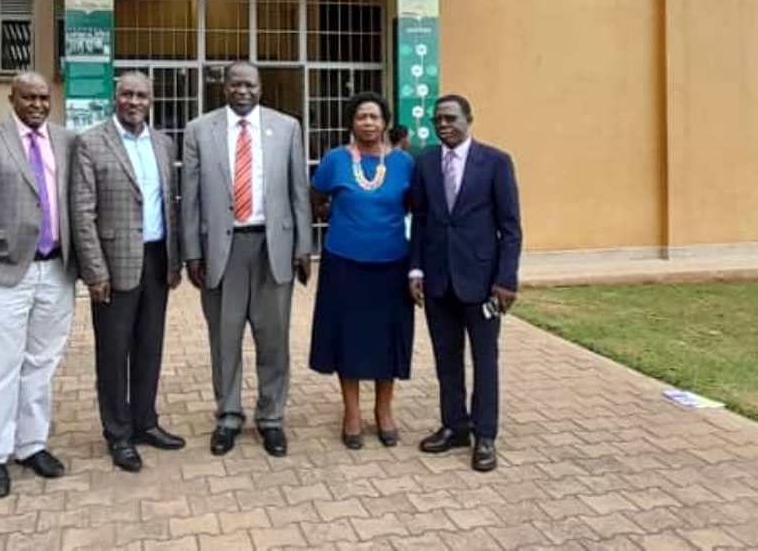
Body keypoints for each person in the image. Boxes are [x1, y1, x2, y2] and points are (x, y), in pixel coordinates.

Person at [181, 60, 312, 458]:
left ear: (261, 88)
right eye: (235, 84)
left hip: (272, 248)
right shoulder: (199, 130)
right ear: (224, 87)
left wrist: (303, 246)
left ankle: (271, 418)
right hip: (223, 250)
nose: (243, 91)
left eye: (250, 85)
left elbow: (298, 191)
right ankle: (229, 416)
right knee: (225, 339)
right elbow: (190, 196)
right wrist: (191, 251)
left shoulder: (286, 127)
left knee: (273, 340)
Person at [0, 72, 76, 498]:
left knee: (42, 364)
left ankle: (31, 444)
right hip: (5, 269)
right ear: (11, 97)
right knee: (1, 368)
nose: (38, 105)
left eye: (44, 97)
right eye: (28, 97)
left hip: (57, 270)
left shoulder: (65, 140)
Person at [69, 72, 184, 473]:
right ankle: (117, 433)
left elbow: (171, 204)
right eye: (127, 94)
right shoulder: (91, 142)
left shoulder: (163, 143)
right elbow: (82, 212)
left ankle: (145, 423)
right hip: (114, 263)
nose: (134, 101)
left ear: (151, 101)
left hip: (156, 259)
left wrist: (175, 260)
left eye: (142, 95)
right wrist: (94, 271)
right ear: (114, 98)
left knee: (150, 347)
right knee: (114, 352)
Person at [408, 94, 522, 473]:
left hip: (483, 283)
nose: (444, 125)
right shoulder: (424, 163)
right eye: (438, 119)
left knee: (485, 360)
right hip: (439, 281)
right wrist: (416, 271)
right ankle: (455, 426)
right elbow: (421, 221)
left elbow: (511, 228)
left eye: (451, 118)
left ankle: (485, 435)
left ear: (469, 119)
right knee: (447, 359)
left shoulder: (496, 162)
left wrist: (506, 280)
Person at [308, 93, 416, 449]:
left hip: (391, 263)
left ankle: (384, 410)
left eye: (374, 116)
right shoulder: (335, 160)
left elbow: (415, 208)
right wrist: (333, 216)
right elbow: (316, 197)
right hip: (344, 262)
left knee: (388, 337)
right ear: (351, 123)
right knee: (348, 338)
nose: (368, 123)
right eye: (360, 117)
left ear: (384, 122)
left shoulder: (403, 163)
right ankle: (351, 412)